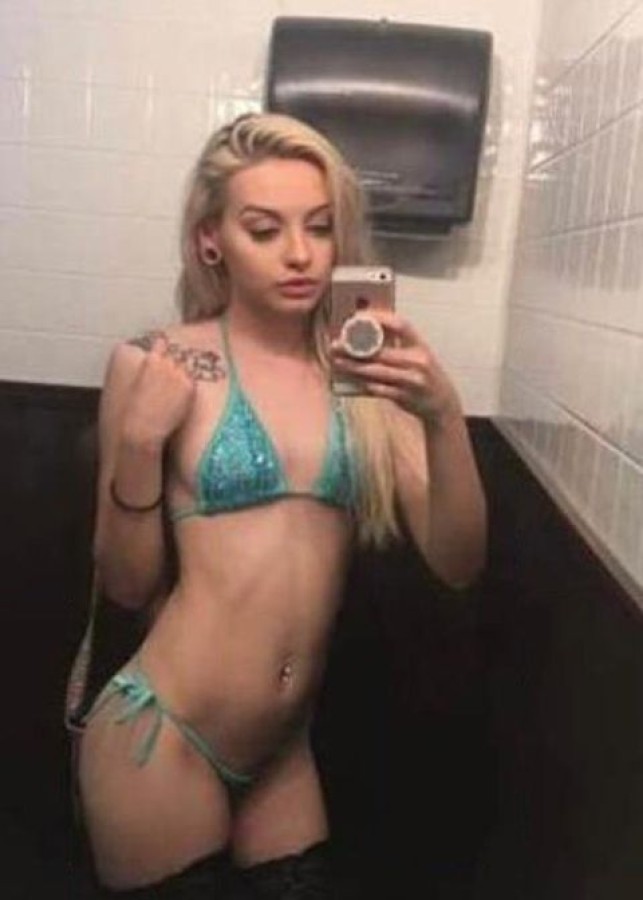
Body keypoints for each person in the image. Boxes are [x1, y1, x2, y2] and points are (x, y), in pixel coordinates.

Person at [76, 111, 487, 898]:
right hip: (163, 737)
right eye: (264, 229)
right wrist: (136, 446)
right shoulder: (158, 363)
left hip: (281, 755)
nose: (299, 254)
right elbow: (127, 587)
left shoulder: (365, 377)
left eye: (319, 227)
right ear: (212, 240)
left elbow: (458, 561)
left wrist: (442, 417)